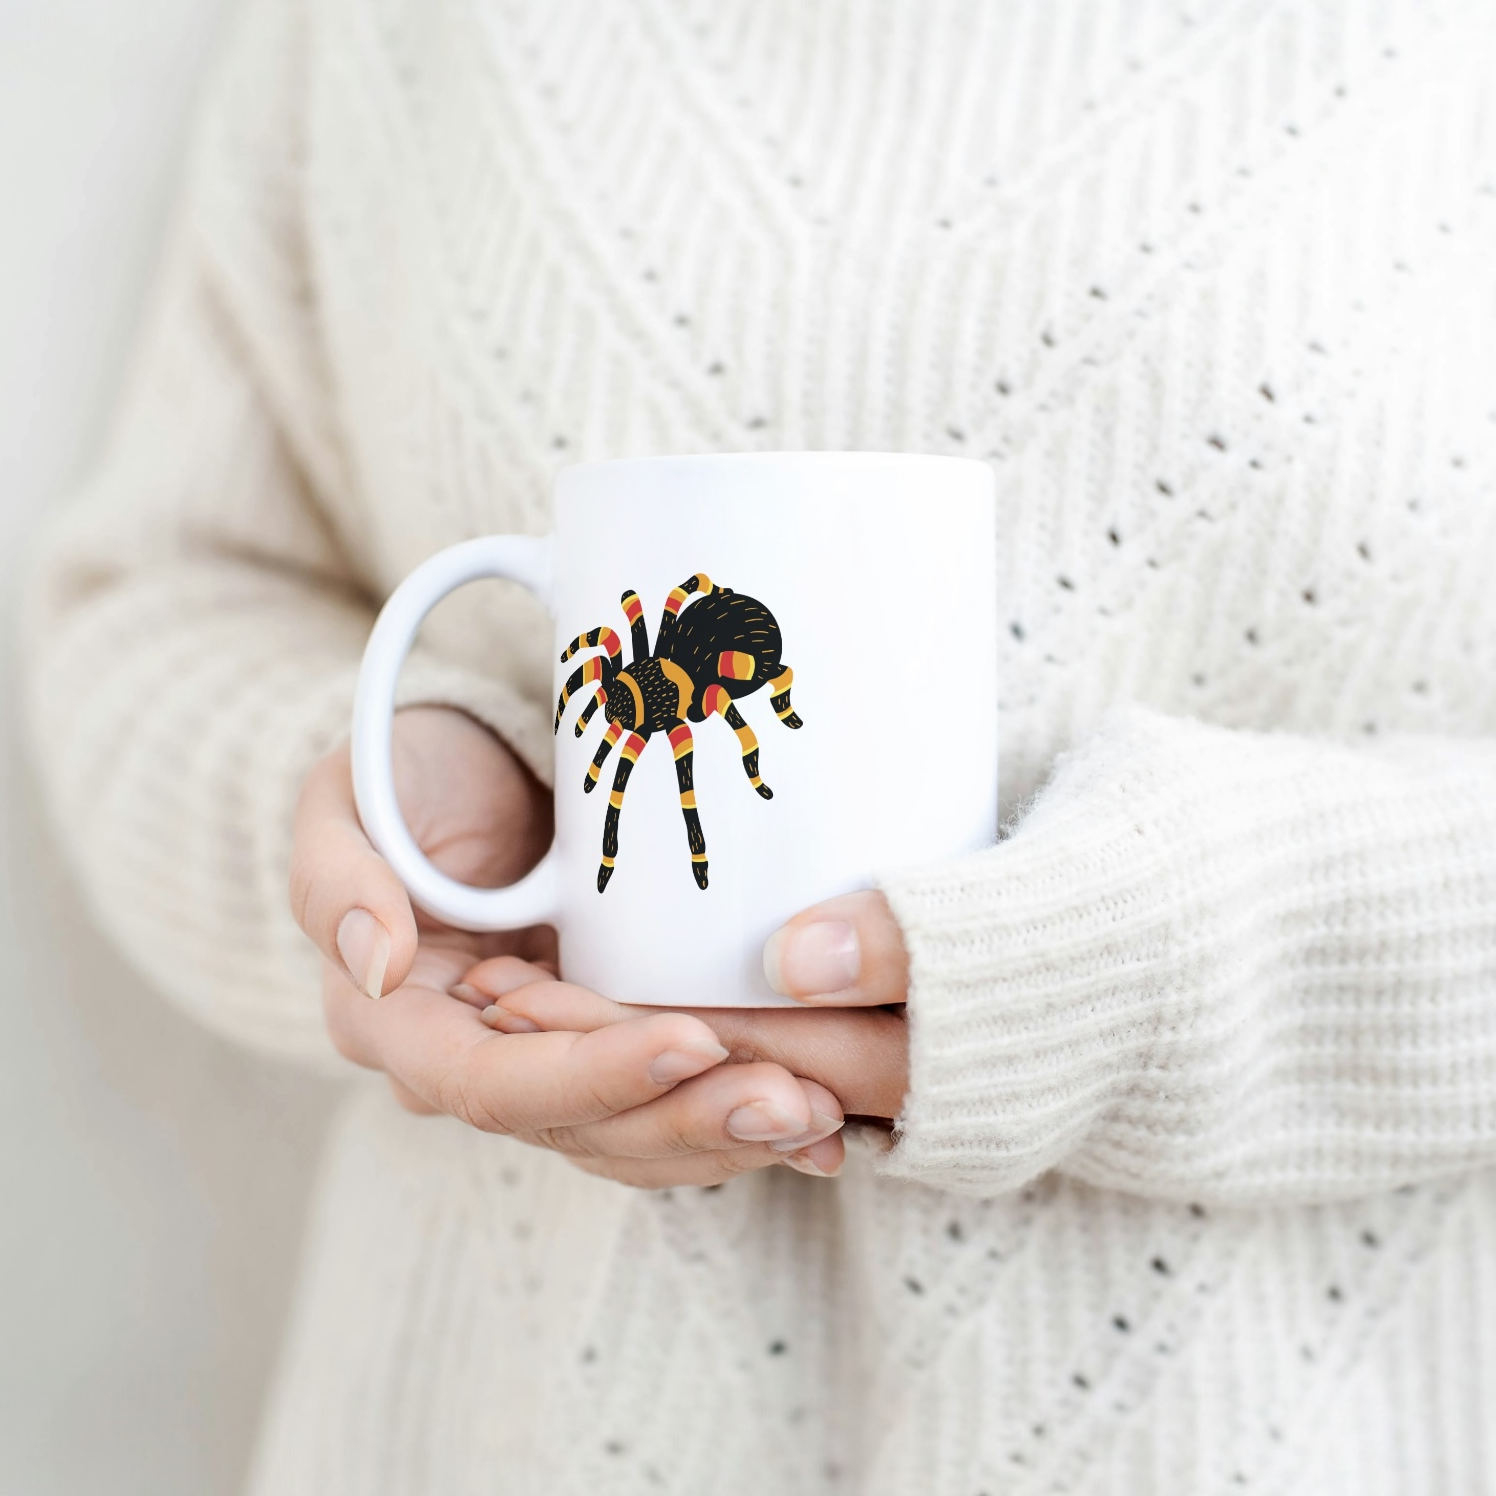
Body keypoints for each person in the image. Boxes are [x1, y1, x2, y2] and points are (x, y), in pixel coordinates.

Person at [23, 0, 1496, 1491]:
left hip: (1302, 1427)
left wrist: (1182, 960)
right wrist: (402, 840)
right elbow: (169, 593)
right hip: (508, 1423)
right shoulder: (386, 39)